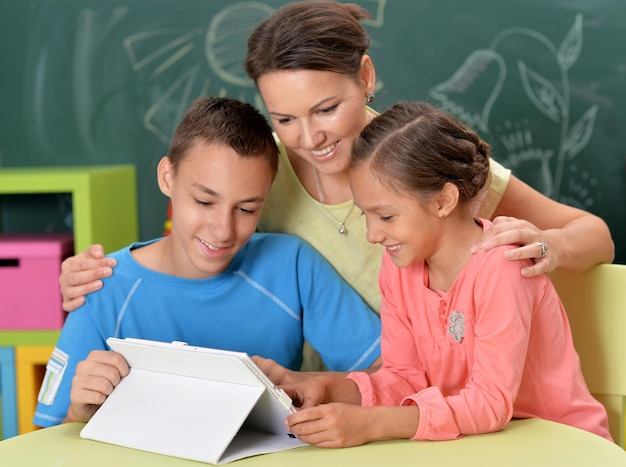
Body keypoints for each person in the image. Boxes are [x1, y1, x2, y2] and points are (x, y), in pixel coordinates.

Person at [58, 1, 614, 360]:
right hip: (350, 398)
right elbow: (190, 245)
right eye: (284, 118)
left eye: (326, 109)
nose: (309, 138)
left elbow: (595, 234)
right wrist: (94, 278)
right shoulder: (260, 173)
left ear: (365, 78)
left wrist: (551, 244)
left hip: (461, 387)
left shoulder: (420, 158)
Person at [278, 101, 612, 447]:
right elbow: (404, 378)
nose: (373, 235)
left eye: (387, 217)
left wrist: (371, 423)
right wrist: (330, 389)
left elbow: (488, 404)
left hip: (561, 444)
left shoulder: (503, 266)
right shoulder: (398, 267)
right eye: (365, 216)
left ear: (443, 201)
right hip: (475, 444)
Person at [33, 96, 381, 428]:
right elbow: (48, 442)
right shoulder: (100, 286)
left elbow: (386, 375)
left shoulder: (292, 266)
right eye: (204, 201)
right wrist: (79, 415)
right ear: (167, 177)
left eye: (246, 209)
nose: (222, 230)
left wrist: (307, 382)